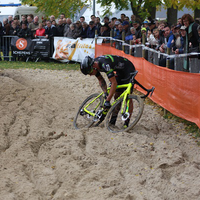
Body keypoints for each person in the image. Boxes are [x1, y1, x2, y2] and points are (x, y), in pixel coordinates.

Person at [80, 55, 136, 127]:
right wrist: (106, 93)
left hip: (128, 69)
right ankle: (112, 121)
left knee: (128, 97)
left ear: (93, 66)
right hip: (119, 71)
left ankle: (126, 122)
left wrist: (107, 100)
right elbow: (101, 80)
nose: (90, 74)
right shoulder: (95, 65)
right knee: (117, 96)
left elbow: (114, 83)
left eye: (90, 72)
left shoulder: (105, 64)